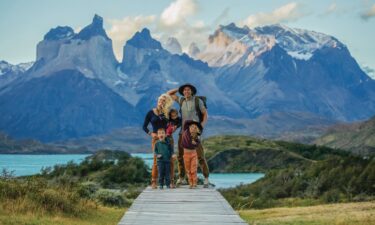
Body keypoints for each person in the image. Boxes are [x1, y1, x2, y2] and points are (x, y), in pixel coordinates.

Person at [167, 83, 210, 188]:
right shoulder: (181, 100)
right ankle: (182, 178)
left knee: (200, 155)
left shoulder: (197, 101)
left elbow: (205, 114)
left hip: (195, 132)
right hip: (183, 132)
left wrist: (201, 127)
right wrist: (180, 88)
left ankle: (206, 178)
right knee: (180, 156)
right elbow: (168, 94)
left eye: (188, 90)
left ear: (192, 91)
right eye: (185, 90)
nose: (186, 91)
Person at [143, 94, 173, 188]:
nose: (162, 102)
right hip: (156, 139)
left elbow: (174, 123)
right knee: (157, 160)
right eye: (160, 100)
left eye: (164, 101)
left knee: (170, 159)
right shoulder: (151, 112)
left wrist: (169, 131)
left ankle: (171, 181)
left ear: (166, 102)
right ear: (157, 101)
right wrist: (151, 133)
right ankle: (154, 181)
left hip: (167, 139)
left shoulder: (167, 113)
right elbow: (144, 126)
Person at [181, 120, 202, 188]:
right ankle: (190, 183)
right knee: (188, 169)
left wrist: (195, 143)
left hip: (193, 154)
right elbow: (186, 122)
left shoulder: (197, 137)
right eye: (192, 127)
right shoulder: (185, 131)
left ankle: (194, 182)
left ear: (196, 130)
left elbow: (197, 144)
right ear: (189, 127)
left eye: (195, 127)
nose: (193, 128)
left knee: (193, 169)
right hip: (186, 154)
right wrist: (195, 122)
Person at [165, 108, 181, 188]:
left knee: (171, 160)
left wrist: (176, 126)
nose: (174, 116)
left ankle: (172, 182)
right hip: (162, 138)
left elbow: (181, 122)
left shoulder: (178, 120)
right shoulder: (167, 119)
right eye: (172, 115)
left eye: (175, 115)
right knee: (162, 161)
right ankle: (162, 182)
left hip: (169, 138)